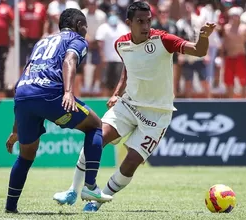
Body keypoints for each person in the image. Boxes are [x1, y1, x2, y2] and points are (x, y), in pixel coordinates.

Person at [53, 1, 215, 212]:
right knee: (96, 137)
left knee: (130, 162)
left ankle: (97, 201)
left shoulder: (163, 40)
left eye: (148, 21)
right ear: (129, 23)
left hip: (158, 114)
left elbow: (198, 51)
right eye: (140, 21)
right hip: (129, 105)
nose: (146, 26)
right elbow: (128, 71)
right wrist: (116, 93)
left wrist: (202, 38)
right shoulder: (120, 44)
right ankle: (73, 190)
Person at [4, 8, 113, 213]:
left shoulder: (42, 41)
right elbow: (69, 60)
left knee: (26, 155)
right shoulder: (78, 39)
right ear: (80, 25)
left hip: (23, 94)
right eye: (85, 27)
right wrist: (69, 92)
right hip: (50, 93)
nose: (86, 31)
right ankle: (90, 186)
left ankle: (10, 208)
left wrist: (16, 130)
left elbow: (26, 75)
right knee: (96, 125)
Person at [222, 7, 246, 98]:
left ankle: (244, 102)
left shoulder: (245, 28)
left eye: (236, 16)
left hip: (240, 56)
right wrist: (221, 56)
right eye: (233, 16)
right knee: (229, 81)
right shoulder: (226, 28)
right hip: (230, 56)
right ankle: (230, 101)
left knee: (243, 80)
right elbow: (224, 44)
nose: (235, 18)